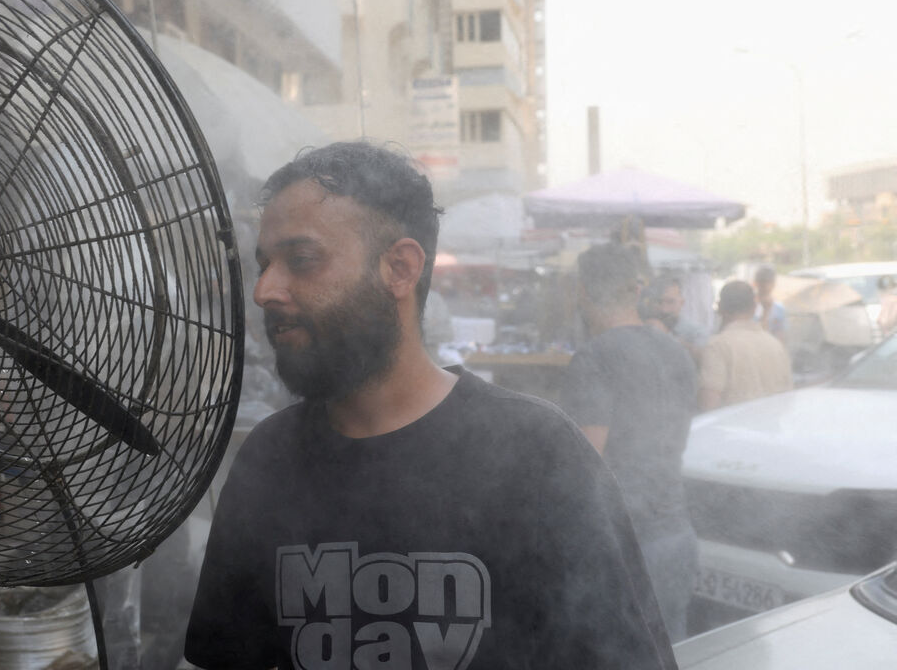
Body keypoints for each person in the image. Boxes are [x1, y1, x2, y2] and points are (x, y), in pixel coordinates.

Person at [185, 142, 677, 670]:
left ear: (400, 267)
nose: (264, 290)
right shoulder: (268, 458)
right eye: (265, 264)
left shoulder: (537, 451)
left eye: (301, 260)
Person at [560, 245, 699, 642]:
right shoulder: (678, 353)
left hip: (623, 550)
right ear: (636, 292)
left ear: (582, 292)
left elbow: (585, 467)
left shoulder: (594, 358)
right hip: (677, 537)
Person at [698, 280, 793, 410]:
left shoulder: (718, 346)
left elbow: (709, 404)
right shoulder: (775, 345)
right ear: (754, 309)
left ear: (720, 308)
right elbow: (787, 398)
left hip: (732, 429)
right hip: (772, 428)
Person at [640, 274, 709, 363]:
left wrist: (665, 335)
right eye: (658, 302)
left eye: (670, 302)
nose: (664, 309)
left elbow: (703, 359)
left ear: (681, 303)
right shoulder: (642, 328)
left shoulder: (697, 332)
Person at [753, 266, 787, 344]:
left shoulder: (779, 309)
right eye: (762, 281)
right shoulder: (748, 306)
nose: (765, 285)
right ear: (756, 283)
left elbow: (781, 338)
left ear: (773, 284)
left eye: (768, 282)